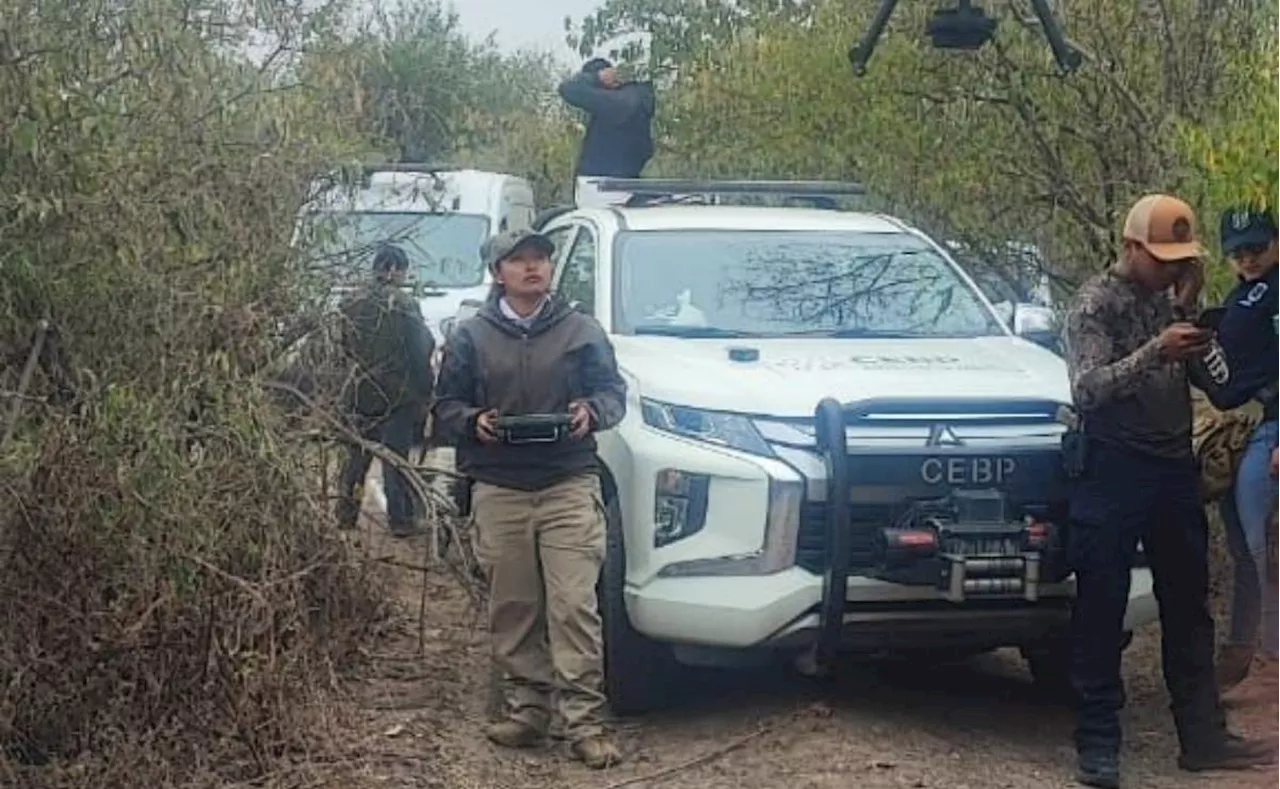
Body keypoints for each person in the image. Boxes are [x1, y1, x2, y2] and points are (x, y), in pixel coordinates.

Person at [1061, 194, 1276, 789]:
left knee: (1189, 609)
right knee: (1101, 610)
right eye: (1163, 259)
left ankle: (1203, 737)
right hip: (1112, 468)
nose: (1170, 269)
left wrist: (1199, 326)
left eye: (1180, 259)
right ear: (1132, 248)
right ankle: (1099, 744)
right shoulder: (1094, 304)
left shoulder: (1172, 302)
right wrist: (1156, 348)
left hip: (1171, 468)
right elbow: (1087, 388)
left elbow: (1223, 386)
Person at [433, 228, 627, 769]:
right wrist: (477, 422)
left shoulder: (582, 331)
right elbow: (445, 407)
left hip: (568, 482)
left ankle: (585, 723)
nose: (532, 268)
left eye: (540, 259)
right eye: (519, 261)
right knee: (514, 607)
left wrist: (592, 411)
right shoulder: (471, 337)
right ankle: (527, 713)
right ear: (498, 273)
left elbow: (614, 396)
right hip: (500, 488)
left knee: (574, 607)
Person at [1203, 206, 1280, 692]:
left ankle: (1271, 659)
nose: (1248, 258)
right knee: (1242, 546)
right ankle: (1244, 650)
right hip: (1237, 428)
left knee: (1263, 547)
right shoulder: (1242, 295)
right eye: (1237, 252)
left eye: (1256, 247)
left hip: (1270, 427)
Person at [335, 244, 435, 537]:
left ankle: (345, 514)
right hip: (397, 396)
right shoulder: (403, 304)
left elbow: (337, 349)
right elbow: (421, 350)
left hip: (357, 393)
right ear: (396, 270)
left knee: (356, 460)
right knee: (395, 461)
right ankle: (401, 520)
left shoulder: (349, 302)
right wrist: (426, 390)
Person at [557, 58, 655, 207]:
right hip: (623, 190)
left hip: (604, 193)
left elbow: (567, 89)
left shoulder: (622, 102)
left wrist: (596, 78)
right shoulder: (634, 100)